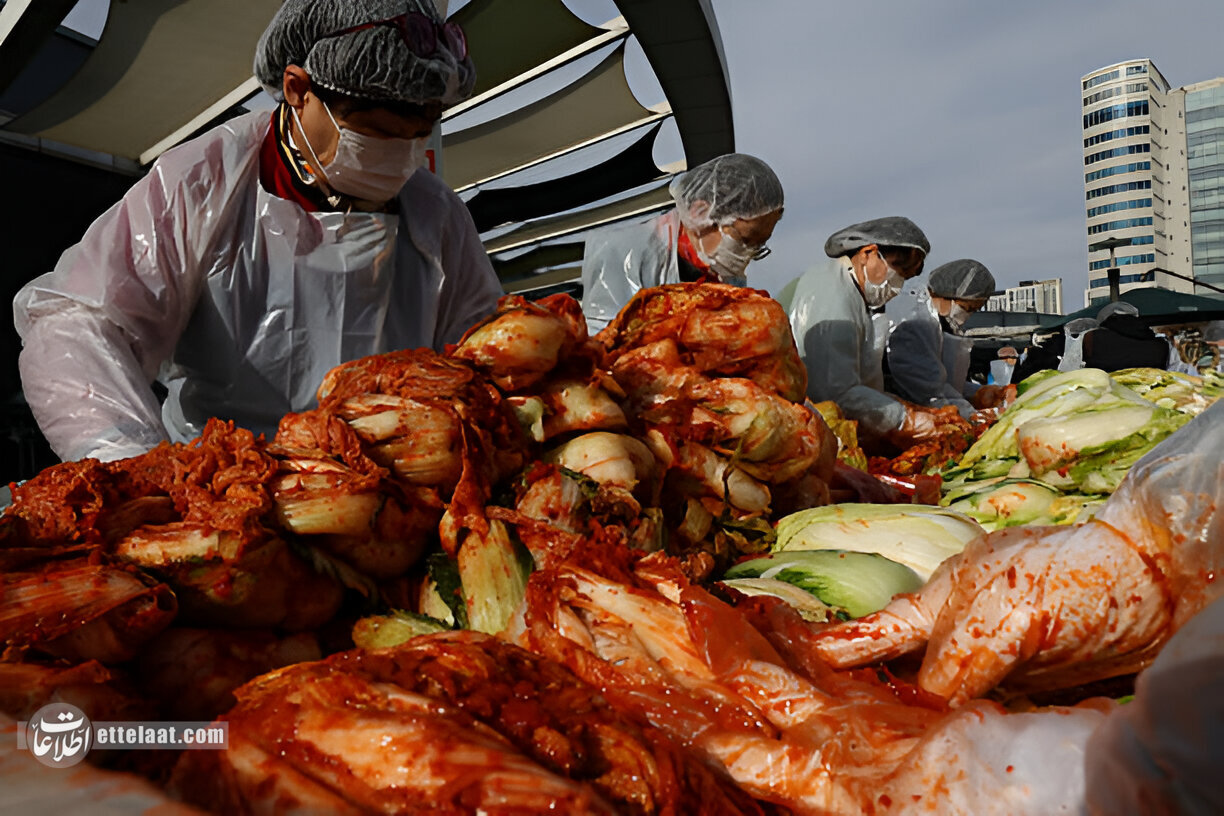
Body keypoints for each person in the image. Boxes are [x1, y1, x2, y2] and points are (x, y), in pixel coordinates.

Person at [13, 0, 503, 464]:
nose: (403, 153)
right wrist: (132, 462)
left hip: (391, 486)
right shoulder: (205, 182)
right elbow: (80, 325)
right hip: (223, 483)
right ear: (297, 89)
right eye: (379, 131)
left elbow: (485, 355)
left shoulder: (437, 215)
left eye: (420, 132)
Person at [580, 153, 784, 333]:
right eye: (743, 240)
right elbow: (602, 341)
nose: (746, 255)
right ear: (700, 213)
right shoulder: (623, 250)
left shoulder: (727, 280)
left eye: (757, 246)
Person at [788, 216, 940, 447]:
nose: (898, 285)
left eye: (906, 278)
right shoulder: (831, 289)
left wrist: (908, 409)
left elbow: (861, 383)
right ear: (868, 253)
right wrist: (904, 420)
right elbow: (835, 392)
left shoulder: (853, 294)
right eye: (899, 271)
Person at [886, 259, 996, 418]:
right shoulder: (916, 322)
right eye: (966, 308)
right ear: (949, 294)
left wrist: (979, 392)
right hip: (902, 414)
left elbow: (944, 383)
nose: (967, 315)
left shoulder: (938, 322)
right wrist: (973, 416)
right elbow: (927, 391)